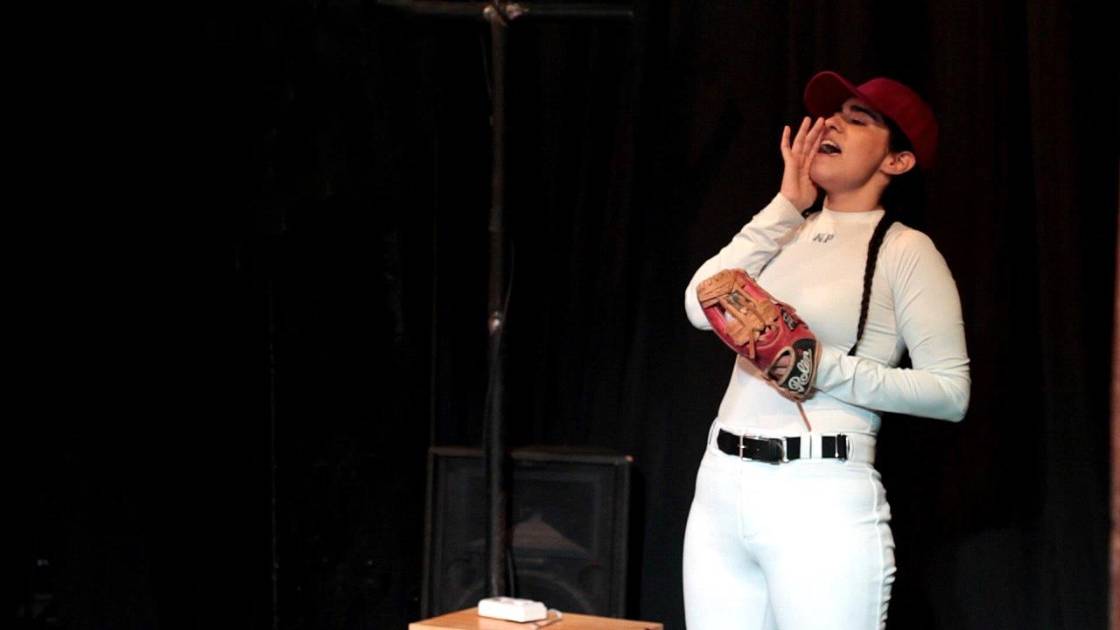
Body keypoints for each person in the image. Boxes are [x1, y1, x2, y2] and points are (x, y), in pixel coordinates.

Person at [680, 71, 970, 630]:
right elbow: (699, 303)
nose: (832, 123)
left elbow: (950, 392)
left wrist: (818, 367)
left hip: (819, 492)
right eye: (833, 114)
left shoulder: (905, 250)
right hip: (721, 482)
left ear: (897, 161)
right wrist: (786, 205)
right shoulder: (785, 228)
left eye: (858, 119)